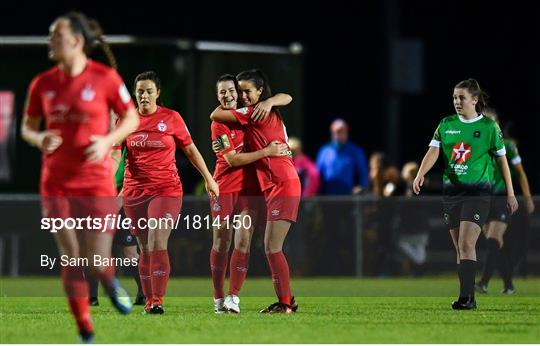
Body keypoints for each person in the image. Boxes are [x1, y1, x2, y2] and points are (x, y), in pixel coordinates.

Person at [21, 12, 140, 342]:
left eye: (55, 35)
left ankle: (109, 280)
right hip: (56, 183)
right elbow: (27, 127)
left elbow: (131, 119)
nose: (50, 41)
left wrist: (106, 140)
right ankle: (85, 328)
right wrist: (38, 138)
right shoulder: (42, 84)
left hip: (96, 183)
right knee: (71, 258)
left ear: (76, 40)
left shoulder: (105, 78)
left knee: (97, 262)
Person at [413, 78, 518, 310]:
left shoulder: (490, 127)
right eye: (454, 97)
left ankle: (468, 299)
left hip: (479, 193)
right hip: (452, 193)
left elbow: (502, 161)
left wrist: (510, 193)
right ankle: (466, 295)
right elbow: (433, 151)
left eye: (461, 97)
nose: (456, 101)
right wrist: (420, 173)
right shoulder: (446, 124)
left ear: (475, 99)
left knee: (466, 242)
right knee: (460, 248)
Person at [123, 71, 219, 315]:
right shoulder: (126, 120)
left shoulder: (171, 118)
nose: (144, 95)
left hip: (166, 189)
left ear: (158, 93)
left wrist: (209, 178)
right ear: (135, 93)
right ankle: (148, 300)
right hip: (134, 191)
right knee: (144, 247)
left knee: (157, 240)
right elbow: (114, 154)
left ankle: (157, 300)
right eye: (140, 91)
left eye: (148, 91)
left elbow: (191, 150)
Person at [210, 68, 301, 313]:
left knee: (271, 247)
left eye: (246, 91)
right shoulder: (266, 110)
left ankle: (285, 303)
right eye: (239, 91)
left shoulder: (253, 113)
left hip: (281, 184)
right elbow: (287, 96)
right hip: (270, 185)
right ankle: (284, 301)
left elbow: (215, 113)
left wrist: (268, 102)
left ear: (260, 91)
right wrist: (271, 101)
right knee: (264, 246)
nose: (241, 96)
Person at [475, 108, 535, 294]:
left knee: (493, 240)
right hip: (484, 199)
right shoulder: (477, 145)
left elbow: (520, 173)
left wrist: (528, 198)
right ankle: (509, 285)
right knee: (496, 244)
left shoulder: (508, 145)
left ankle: (483, 283)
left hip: (502, 198)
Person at [316, 119, 368, 195]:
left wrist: (362, 188)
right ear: (332, 133)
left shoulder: (356, 151)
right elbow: (317, 174)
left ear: (347, 132)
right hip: (327, 197)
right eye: (336, 132)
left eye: (342, 131)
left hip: (348, 197)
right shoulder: (324, 151)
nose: (339, 135)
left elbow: (363, 173)